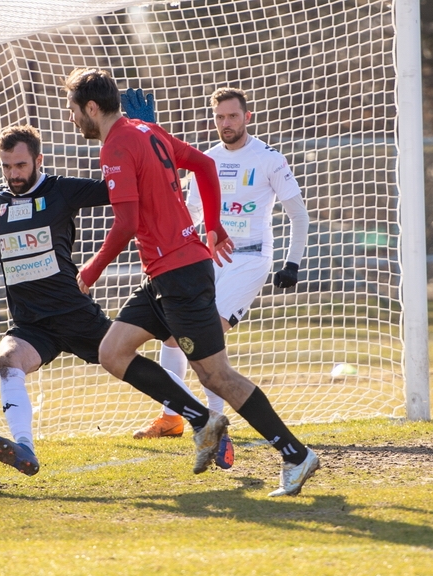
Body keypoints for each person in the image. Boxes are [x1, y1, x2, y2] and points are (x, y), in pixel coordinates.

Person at [65, 68, 319, 496]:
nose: (71, 118)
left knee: (217, 376)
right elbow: (203, 163)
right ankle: (203, 421)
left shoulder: (116, 146)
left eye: (73, 109)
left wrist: (90, 270)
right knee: (112, 351)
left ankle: (295, 454)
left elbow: (125, 222)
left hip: (180, 274)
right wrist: (214, 223)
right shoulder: (145, 129)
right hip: (166, 273)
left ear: (92, 107)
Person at [0, 124, 204, 476]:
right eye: (6, 166)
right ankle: (25, 449)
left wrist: (146, 153)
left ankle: (204, 418)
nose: (13, 174)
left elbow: (122, 191)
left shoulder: (61, 190)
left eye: (20, 165)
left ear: (37, 159)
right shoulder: (2, 199)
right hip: (32, 324)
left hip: (74, 314)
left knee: (127, 365)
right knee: (7, 361)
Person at [123, 87, 309, 473]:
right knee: (174, 335)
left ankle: (215, 427)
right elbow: (189, 213)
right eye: (220, 118)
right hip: (208, 259)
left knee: (209, 339)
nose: (226, 124)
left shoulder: (269, 159)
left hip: (249, 260)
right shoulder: (205, 160)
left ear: (247, 116)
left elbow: (298, 215)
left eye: (233, 116)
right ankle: (173, 416)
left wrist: (292, 263)